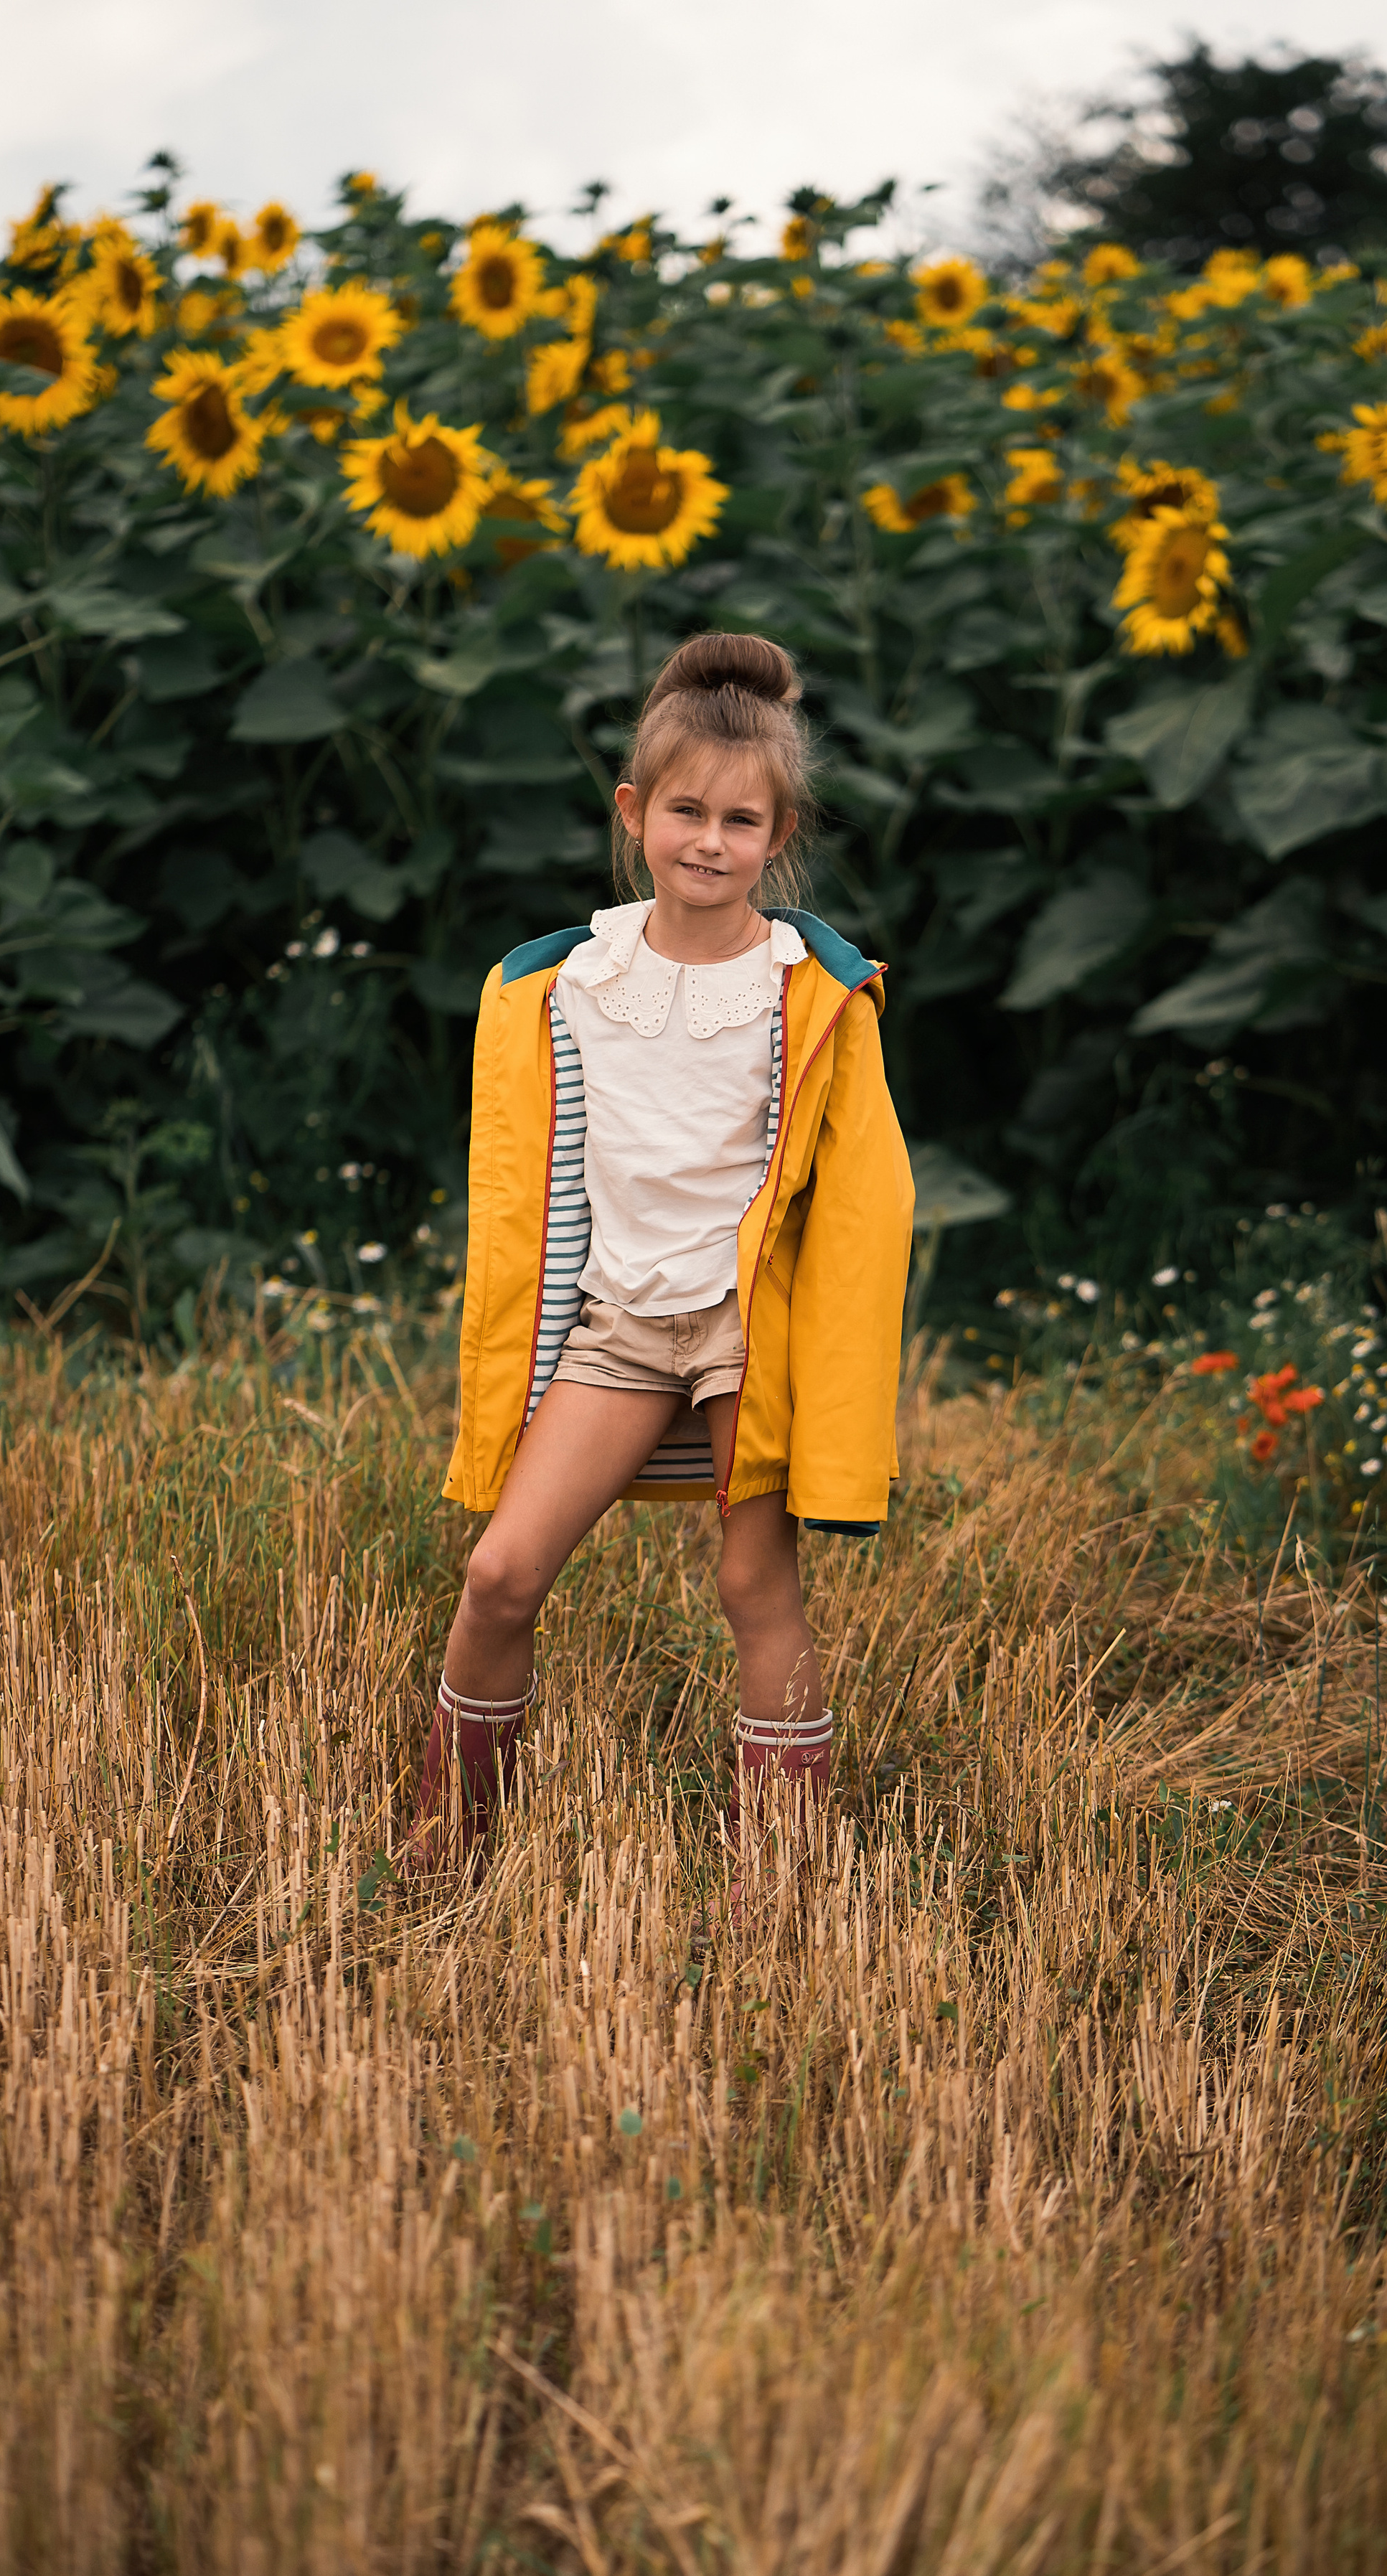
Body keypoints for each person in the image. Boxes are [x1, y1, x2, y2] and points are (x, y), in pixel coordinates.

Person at [407, 632, 914, 1875]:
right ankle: (444, 1834)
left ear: (777, 833)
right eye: (686, 809)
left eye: (742, 820)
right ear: (636, 813)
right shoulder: (568, 983)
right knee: (501, 1573)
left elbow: (857, 1198)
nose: (710, 840)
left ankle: (781, 1866)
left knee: (755, 1587)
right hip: (620, 1324)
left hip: (750, 1330)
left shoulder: (811, 992)